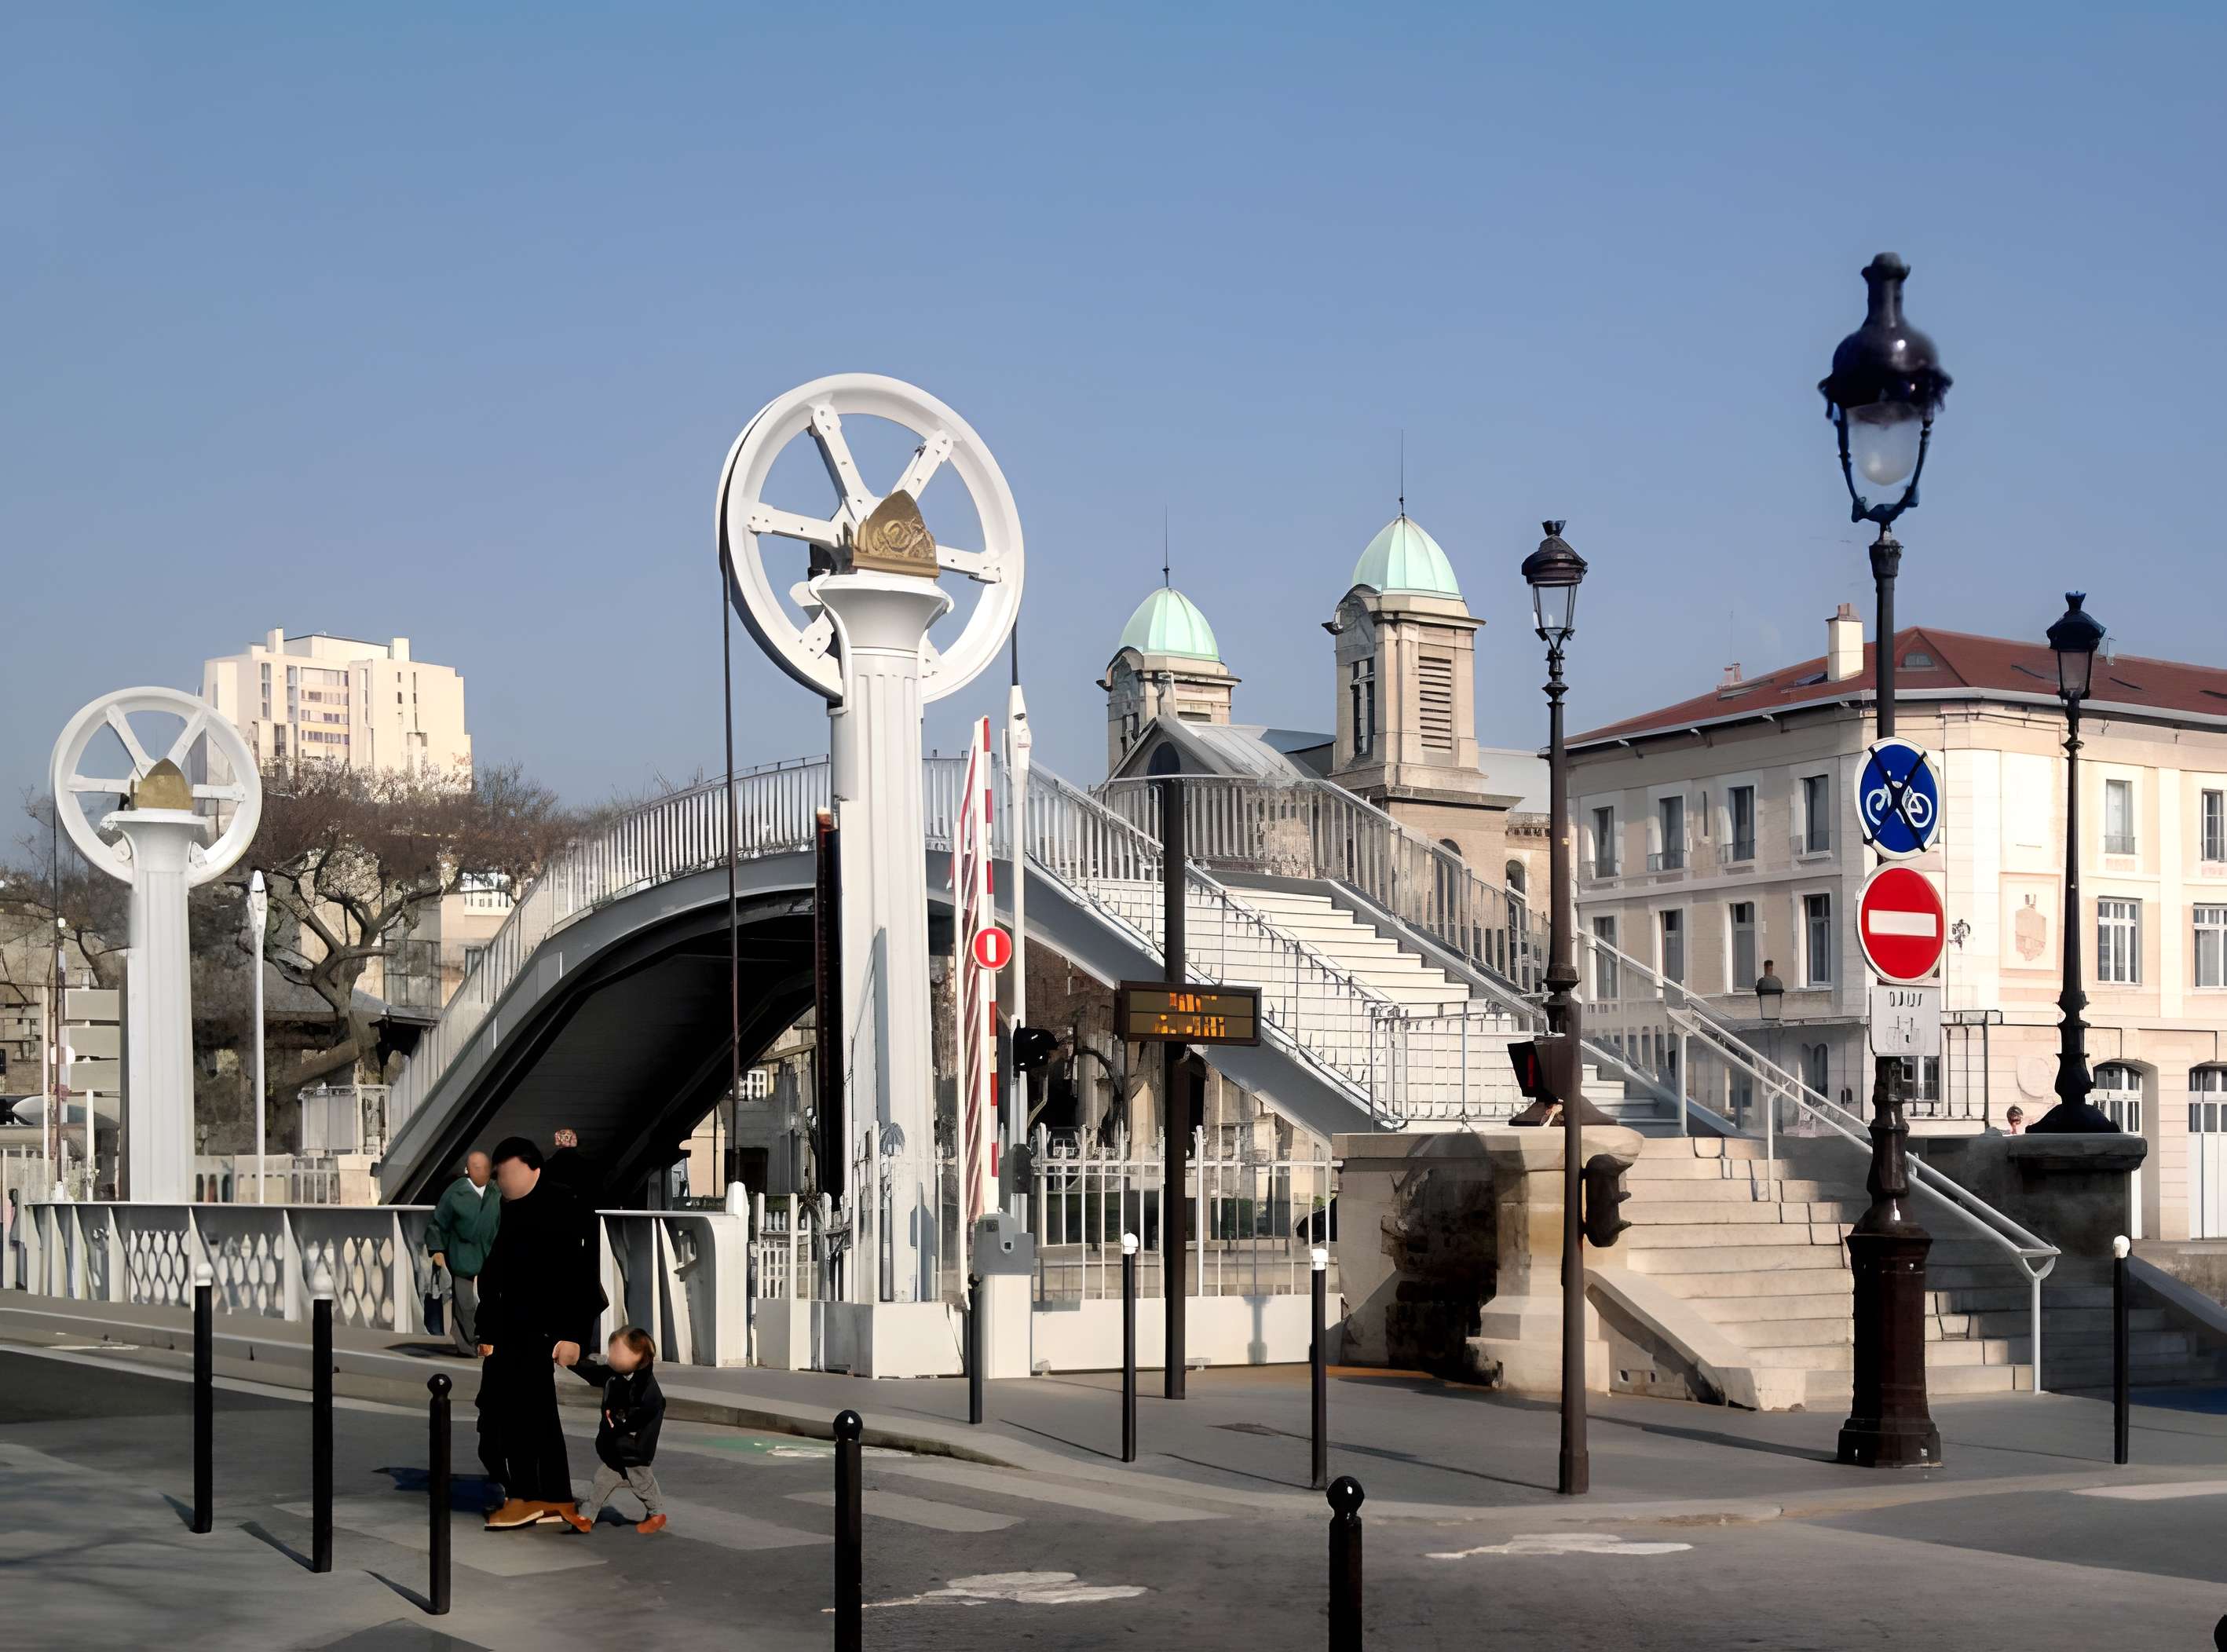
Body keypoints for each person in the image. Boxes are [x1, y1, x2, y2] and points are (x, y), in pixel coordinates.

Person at [473, 1136, 600, 1530]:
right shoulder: (509, 1210)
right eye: (499, 1175)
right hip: (511, 1330)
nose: (503, 1181)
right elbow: (496, 1273)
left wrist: (574, 1336)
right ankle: (546, 1496)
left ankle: (530, 1495)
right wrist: (486, 1329)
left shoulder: (560, 1206)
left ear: (533, 1169)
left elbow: (579, 1276)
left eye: (508, 1173)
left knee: (523, 1415)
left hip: (539, 1332)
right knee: (513, 1415)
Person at [556, 1326, 668, 1535]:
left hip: (634, 1448)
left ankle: (656, 1514)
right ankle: (586, 1518)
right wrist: (573, 1363)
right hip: (617, 1446)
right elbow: (593, 1373)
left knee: (641, 1482)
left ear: (640, 1358)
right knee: (602, 1481)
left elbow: (645, 1413)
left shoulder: (646, 1389)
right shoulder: (614, 1375)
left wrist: (621, 1422)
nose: (611, 1356)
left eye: (617, 1352)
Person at [426, 1151, 501, 1357]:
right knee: (465, 1303)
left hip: (492, 1252)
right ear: (468, 1169)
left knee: (491, 1300)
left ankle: (489, 1340)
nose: (482, 1172)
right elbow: (438, 1222)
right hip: (462, 1253)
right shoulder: (455, 1191)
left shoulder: (497, 1191)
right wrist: (437, 1251)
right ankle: (468, 1344)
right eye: (477, 1168)